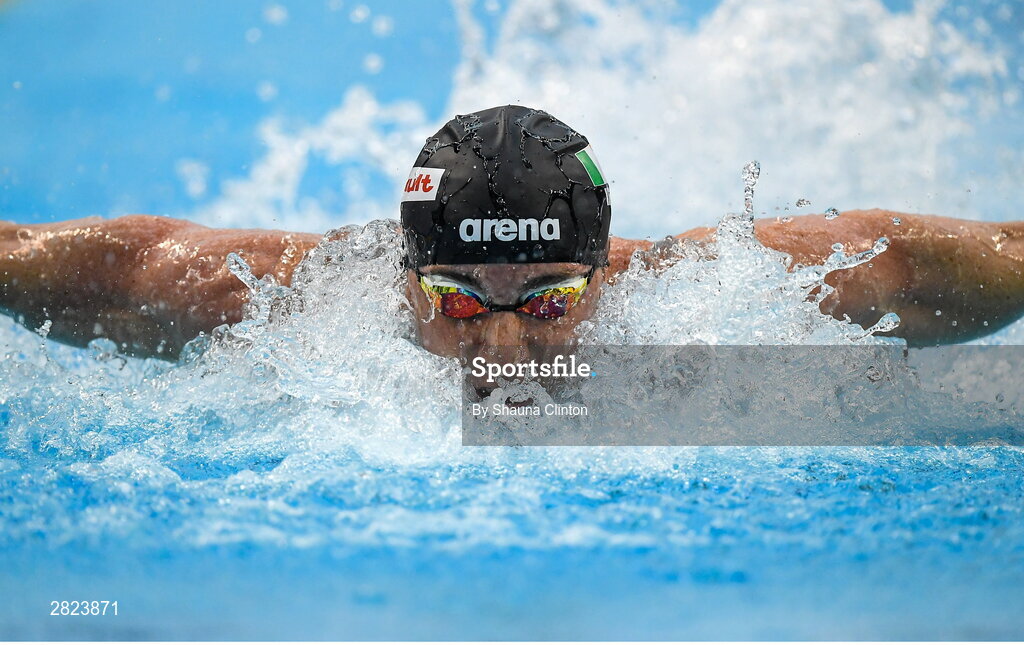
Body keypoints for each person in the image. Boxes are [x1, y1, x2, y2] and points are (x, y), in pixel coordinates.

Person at [1, 105, 1023, 361]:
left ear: (599, 270)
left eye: (547, 303)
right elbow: (85, 265)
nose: (500, 348)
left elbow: (908, 257)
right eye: (454, 301)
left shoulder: (725, 289)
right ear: (405, 276)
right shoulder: (279, 298)